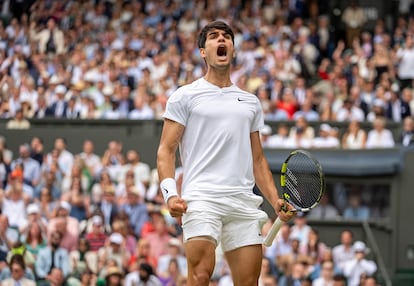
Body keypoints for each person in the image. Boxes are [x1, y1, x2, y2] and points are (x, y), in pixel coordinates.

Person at [156, 20, 295, 286]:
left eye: (227, 37)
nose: (222, 40)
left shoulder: (250, 102)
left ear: (232, 50)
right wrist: (170, 194)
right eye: (214, 37)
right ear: (203, 52)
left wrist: (275, 198)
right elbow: (166, 150)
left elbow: (257, 158)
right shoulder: (184, 96)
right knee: (199, 275)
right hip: (201, 199)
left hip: (243, 202)